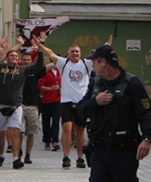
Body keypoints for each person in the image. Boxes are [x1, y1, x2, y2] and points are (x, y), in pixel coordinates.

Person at [77, 44, 151, 182]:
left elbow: (146, 114)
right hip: (99, 152)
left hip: (124, 152)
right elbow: (80, 111)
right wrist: (96, 101)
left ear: (103, 62)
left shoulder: (132, 84)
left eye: (94, 61)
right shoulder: (95, 84)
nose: (92, 64)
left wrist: (147, 138)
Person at [38, 36, 105, 168]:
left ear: (80, 53)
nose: (75, 54)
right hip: (66, 101)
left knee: (80, 130)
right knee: (67, 128)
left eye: (77, 52)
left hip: (81, 102)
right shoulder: (64, 63)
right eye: (72, 51)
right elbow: (50, 53)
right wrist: (40, 46)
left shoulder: (86, 63)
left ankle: (80, 157)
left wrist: (107, 45)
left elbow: (100, 54)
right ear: (69, 53)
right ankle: (66, 156)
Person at [0, 35, 44, 169]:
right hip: (0, 105)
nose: (15, 58)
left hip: (16, 106)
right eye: (12, 56)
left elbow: (39, 65)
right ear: (7, 58)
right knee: (1, 133)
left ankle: (16, 159)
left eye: (16, 56)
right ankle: (1, 156)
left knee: (15, 131)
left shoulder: (23, 70)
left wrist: (40, 50)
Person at [39, 65, 61, 151]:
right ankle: (47, 140)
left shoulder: (60, 72)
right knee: (46, 122)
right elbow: (40, 86)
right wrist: (50, 88)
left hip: (57, 101)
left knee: (56, 122)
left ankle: (55, 140)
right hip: (46, 101)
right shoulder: (46, 72)